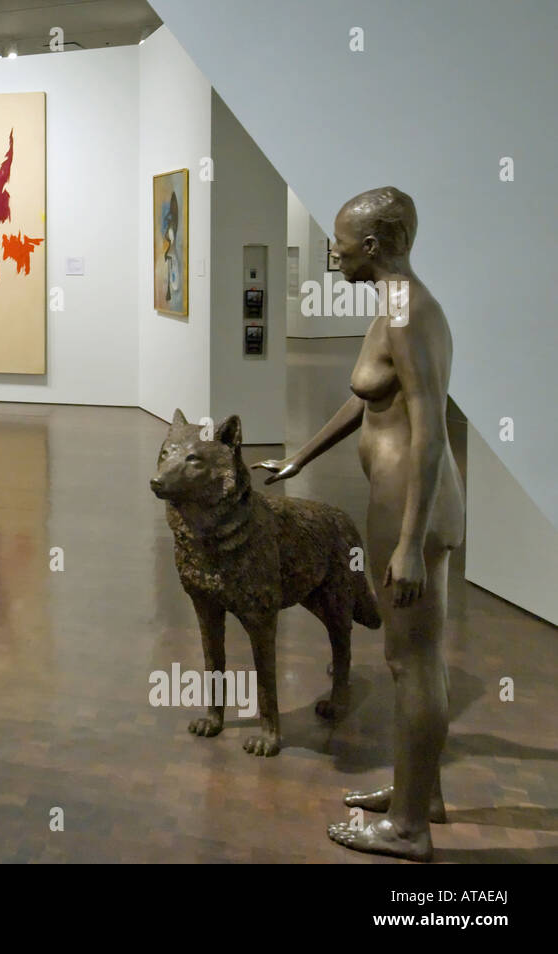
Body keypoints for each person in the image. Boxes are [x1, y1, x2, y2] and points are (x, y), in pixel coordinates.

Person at [254, 187, 464, 862]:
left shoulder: (406, 313)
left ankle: (408, 828)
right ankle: (418, 792)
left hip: (411, 504)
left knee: (411, 661)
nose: (334, 251)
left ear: (372, 246)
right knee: (414, 658)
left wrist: (408, 541)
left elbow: (430, 428)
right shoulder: (398, 304)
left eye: (340, 242)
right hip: (408, 498)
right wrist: (299, 458)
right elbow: (366, 400)